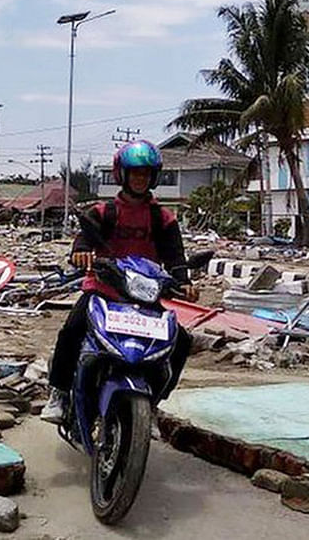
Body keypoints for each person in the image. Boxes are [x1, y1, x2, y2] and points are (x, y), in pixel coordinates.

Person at [40, 140, 197, 424]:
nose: (140, 178)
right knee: (72, 330)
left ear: (154, 177)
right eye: (135, 173)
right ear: (122, 175)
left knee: (181, 341)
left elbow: (176, 257)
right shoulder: (103, 212)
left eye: (146, 173)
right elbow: (83, 240)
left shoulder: (163, 218)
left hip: (144, 297)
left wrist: (184, 281)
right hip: (104, 291)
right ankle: (59, 393)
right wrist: (80, 254)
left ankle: (153, 402)